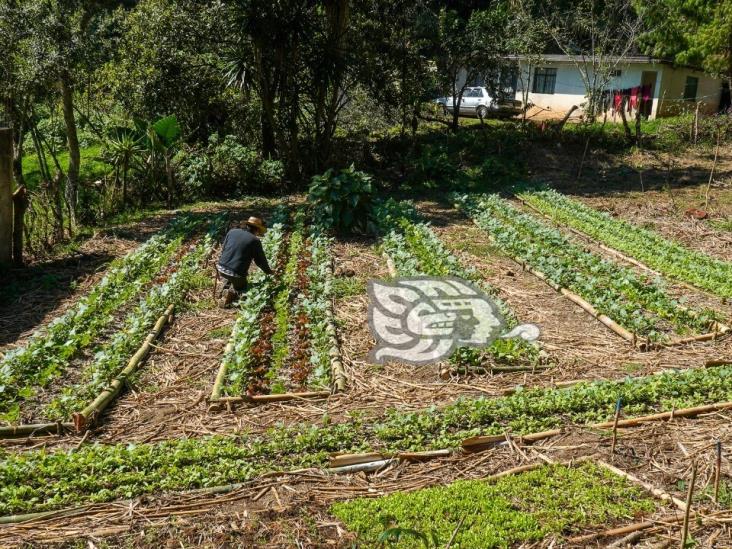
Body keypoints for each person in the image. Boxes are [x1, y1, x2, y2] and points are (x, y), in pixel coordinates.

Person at [217, 216, 273, 307]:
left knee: (230, 277)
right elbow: (260, 261)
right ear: (257, 230)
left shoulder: (232, 232)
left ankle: (225, 288)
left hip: (221, 267)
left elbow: (223, 249)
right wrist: (269, 272)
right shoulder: (254, 241)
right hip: (236, 273)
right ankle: (230, 295)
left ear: (247, 225)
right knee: (243, 288)